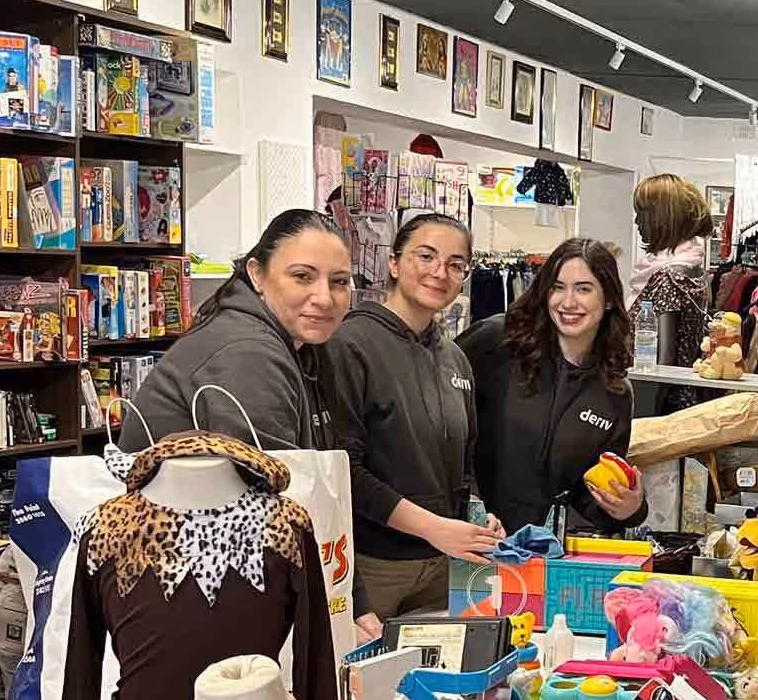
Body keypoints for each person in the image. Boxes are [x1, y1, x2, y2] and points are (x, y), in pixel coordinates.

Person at [330, 213, 502, 636]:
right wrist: (435, 528)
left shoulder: (454, 357)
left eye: (455, 264)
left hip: (443, 567)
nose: (439, 272)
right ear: (393, 263)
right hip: (374, 569)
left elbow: (464, 464)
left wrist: (480, 515)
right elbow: (344, 471)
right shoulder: (351, 344)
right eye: (426, 256)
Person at [460, 236, 648, 534]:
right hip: (464, 539)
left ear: (609, 299)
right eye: (558, 287)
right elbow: (440, 422)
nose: (568, 302)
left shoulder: (614, 393)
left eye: (584, 289)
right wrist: (466, 502)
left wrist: (631, 509)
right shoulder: (497, 341)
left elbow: (587, 494)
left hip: (537, 552)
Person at [123, 208, 352, 451]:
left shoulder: (304, 342)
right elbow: (273, 480)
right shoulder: (248, 352)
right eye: (302, 276)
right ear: (256, 274)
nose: (324, 299)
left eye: (339, 281)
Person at [628, 173, 713, 298]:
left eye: (641, 214)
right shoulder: (681, 268)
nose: (637, 221)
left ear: (661, 217)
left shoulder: (670, 276)